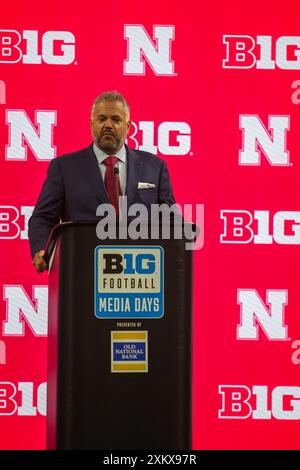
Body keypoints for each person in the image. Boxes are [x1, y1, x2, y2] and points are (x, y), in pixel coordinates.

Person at [28, 91, 176, 273]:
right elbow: (42, 217)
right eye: (101, 119)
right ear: (91, 124)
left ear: (128, 126)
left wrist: (176, 253)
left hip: (140, 273)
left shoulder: (155, 167)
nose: (108, 125)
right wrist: (42, 249)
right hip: (82, 271)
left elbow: (170, 220)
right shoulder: (64, 167)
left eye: (116, 119)